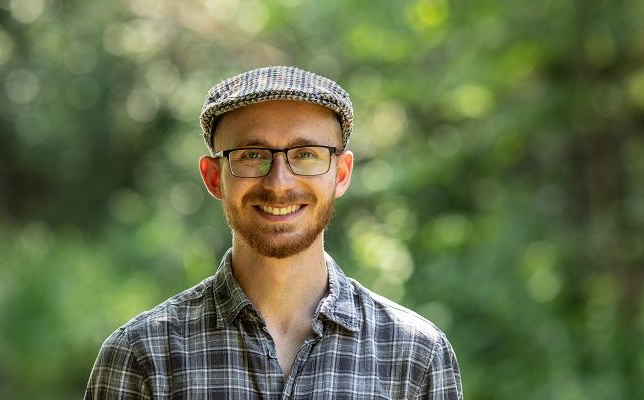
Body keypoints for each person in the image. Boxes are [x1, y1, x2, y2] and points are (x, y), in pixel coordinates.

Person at [85, 66, 463, 399]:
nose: (279, 183)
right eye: (251, 154)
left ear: (342, 174)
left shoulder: (415, 354)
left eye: (306, 154)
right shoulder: (141, 355)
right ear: (214, 177)